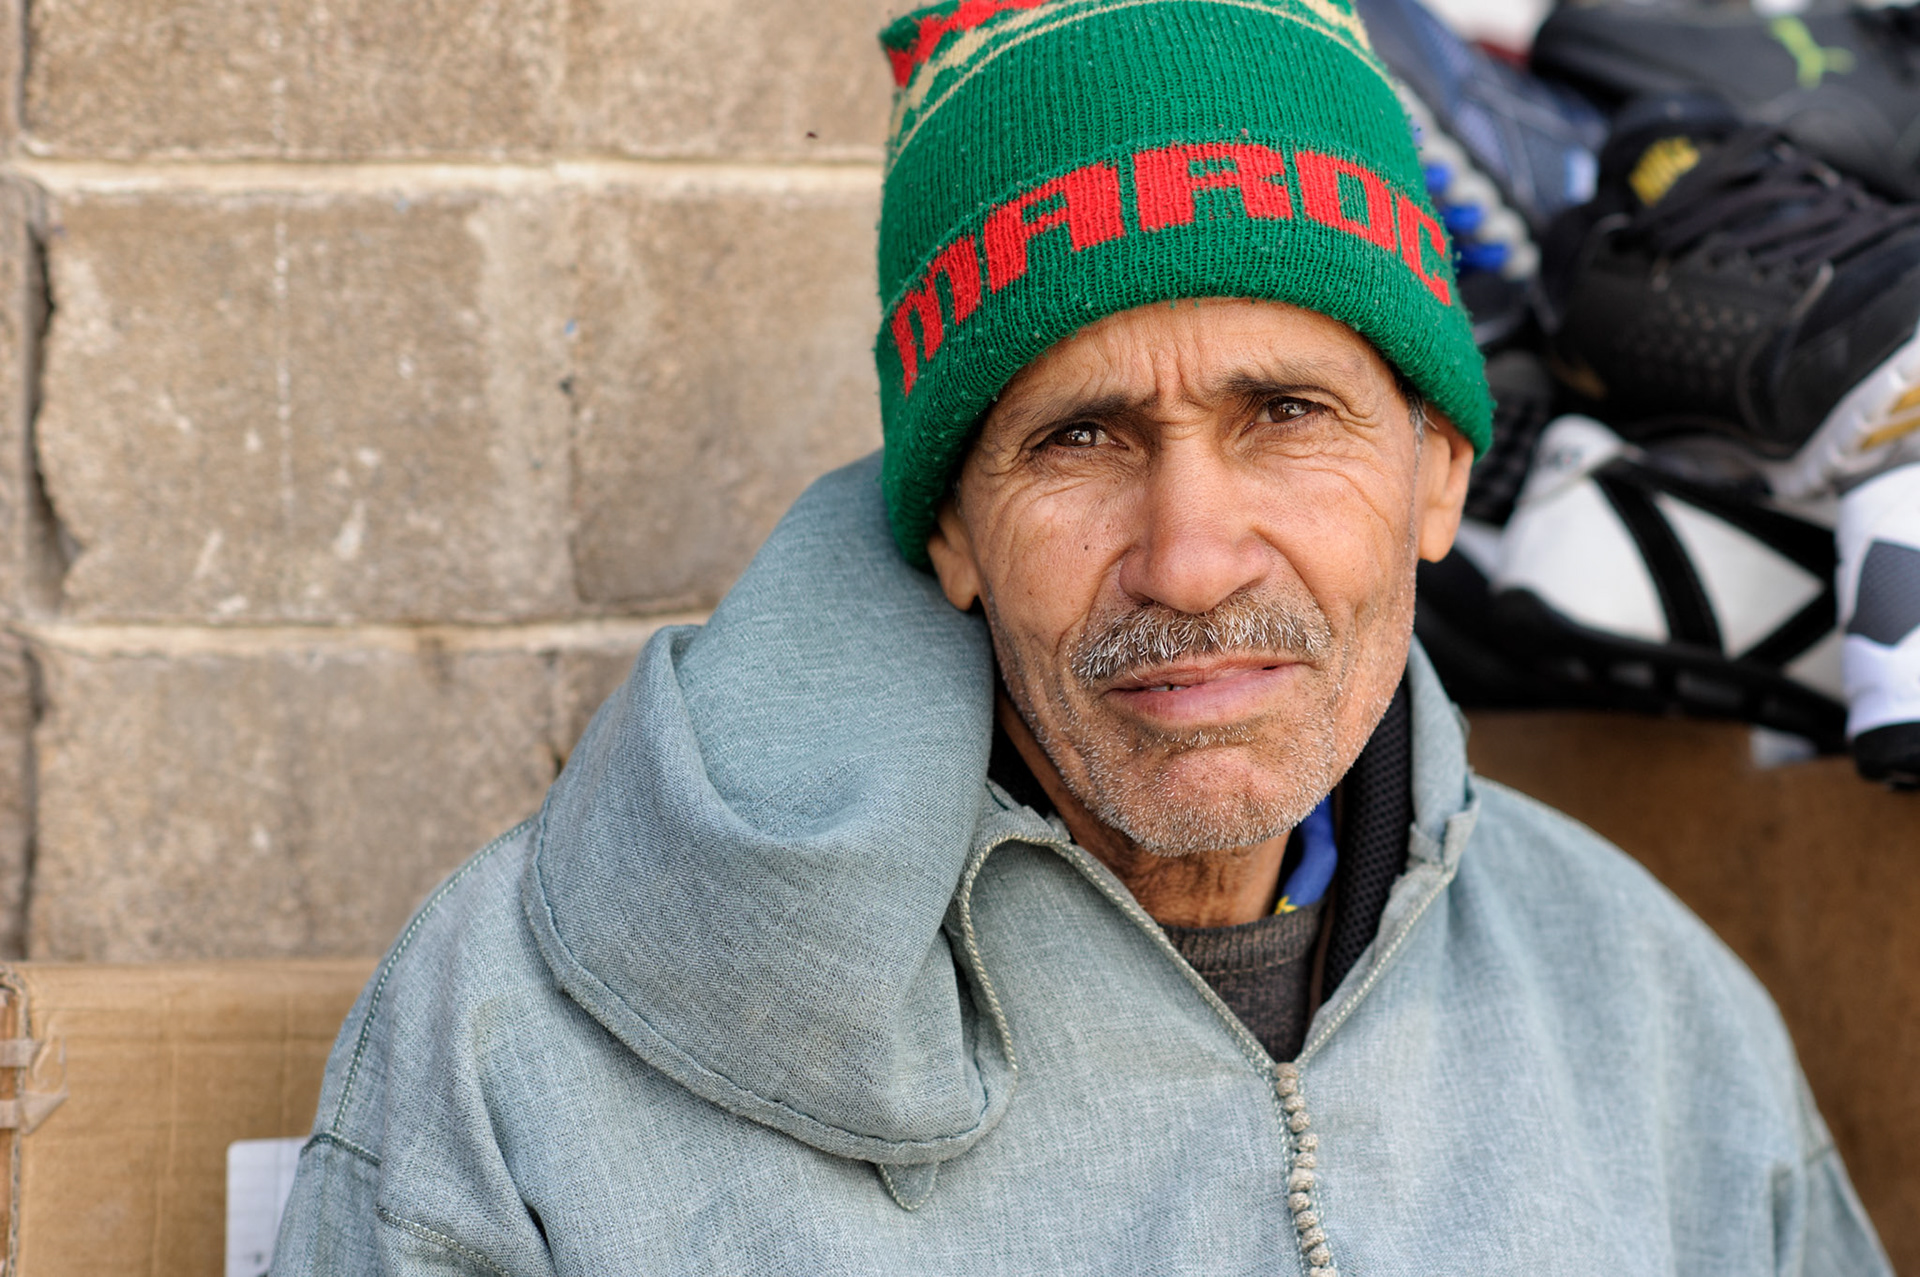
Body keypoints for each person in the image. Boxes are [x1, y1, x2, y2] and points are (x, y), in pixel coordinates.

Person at [271, 2, 1891, 1272]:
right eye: (1079, 441)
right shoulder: (522, 1041)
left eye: (1288, 415)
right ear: (953, 530)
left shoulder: (1651, 1012)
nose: (1189, 558)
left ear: (1440, 475)